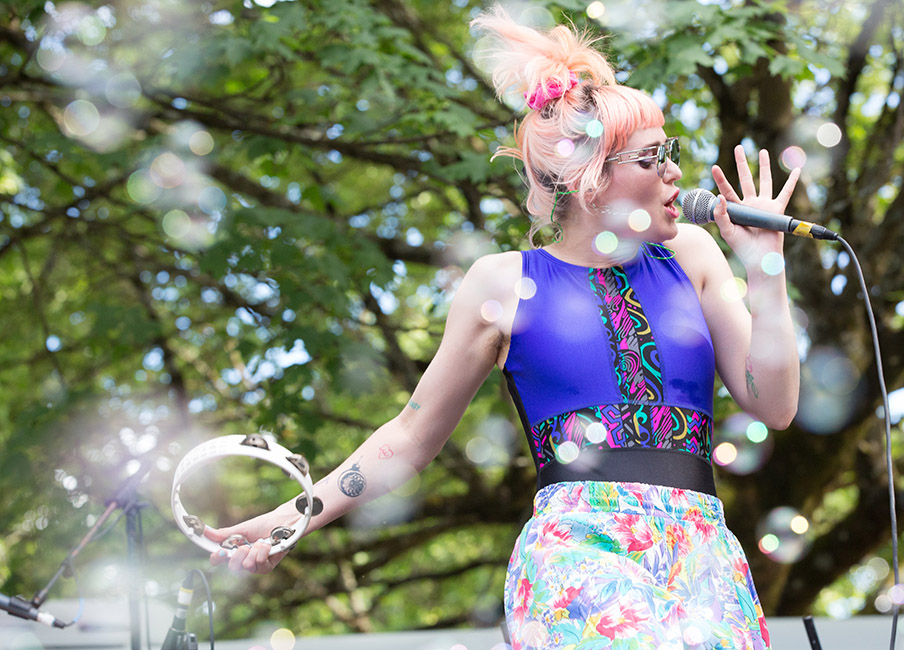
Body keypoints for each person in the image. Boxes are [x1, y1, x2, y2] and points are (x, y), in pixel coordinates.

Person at [204, 6, 800, 649]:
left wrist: (765, 268)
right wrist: (291, 517)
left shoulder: (695, 256)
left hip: (702, 558)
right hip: (579, 555)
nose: (675, 173)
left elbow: (776, 405)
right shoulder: (501, 283)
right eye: (654, 157)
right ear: (591, 177)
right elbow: (408, 437)